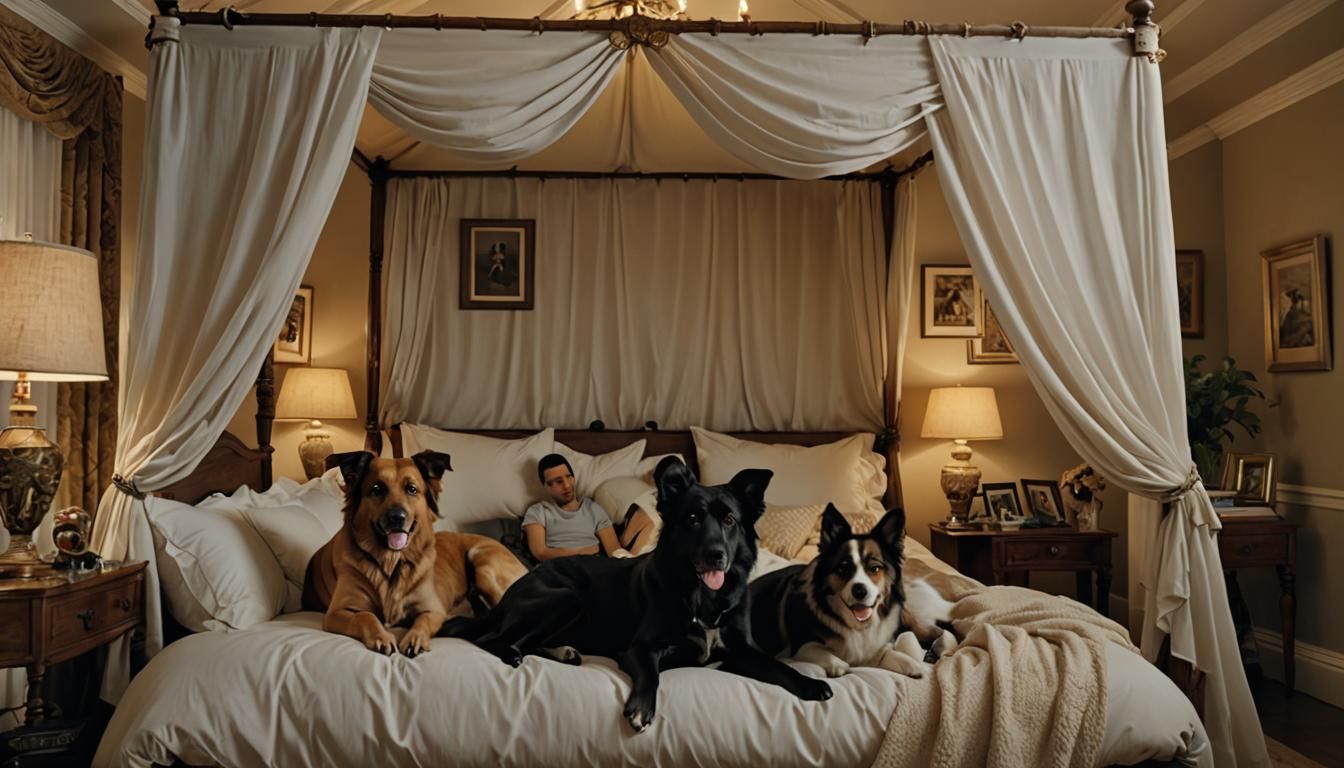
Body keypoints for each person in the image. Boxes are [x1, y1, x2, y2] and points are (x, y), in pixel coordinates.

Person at [523, 454, 654, 562]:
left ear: (574, 478)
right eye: (558, 481)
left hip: (593, 568)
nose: (566, 485)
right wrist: (586, 551)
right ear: (546, 487)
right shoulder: (538, 511)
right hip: (558, 568)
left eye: (568, 477)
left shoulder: (593, 509)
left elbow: (614, 550)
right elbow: (541, 552)